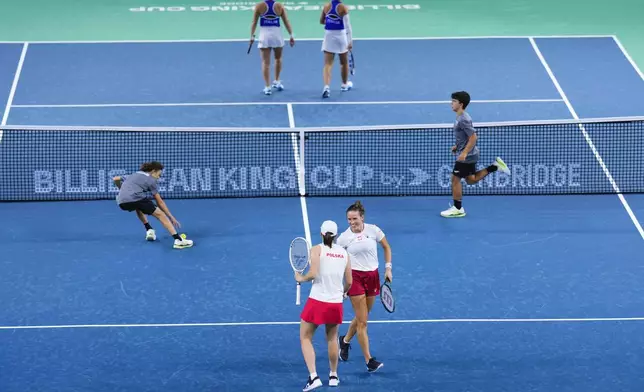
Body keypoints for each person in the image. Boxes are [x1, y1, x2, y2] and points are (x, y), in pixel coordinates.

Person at [296, 220, 352, 391]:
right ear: (335, 236)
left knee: (305, 337)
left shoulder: (316, 249)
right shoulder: (344, 253)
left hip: (317, 301)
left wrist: (301, 278)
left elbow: (312, 274)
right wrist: (342, 293)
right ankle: (333, 375)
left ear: (321, 233)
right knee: (332, 338)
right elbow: (349, 282)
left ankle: (313, 377)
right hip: (335, 303)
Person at [336, 201, 391, 373]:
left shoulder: (373, 230)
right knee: (363, 322)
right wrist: (341, 285)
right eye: (349, 219)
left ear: (362, 217)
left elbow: (386, 247)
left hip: (373, 276)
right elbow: (338, 261)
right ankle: (369, 361)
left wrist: (388, 268)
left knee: (363, 316)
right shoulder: (343, 238)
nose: (352, 222)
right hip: (355, 278)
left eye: (355, 219)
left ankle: (344, 341)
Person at [441, 91, 511, 218]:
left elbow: (473, 137)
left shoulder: (463, 119)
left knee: (455, 179)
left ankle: (458, 208)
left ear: (461, 104)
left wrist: (464, 153)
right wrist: (458, 146)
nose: (451, 103)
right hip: (470, 154)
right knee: (471, 180)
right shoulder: (460, 117)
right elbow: (465, 136)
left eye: (454, 101)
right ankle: (495, 166)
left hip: (467, 155)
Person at [113, 161, 194, 249]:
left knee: (138, 207)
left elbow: (115, 179)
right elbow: (160, 202)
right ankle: (178, 240)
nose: (158, 178)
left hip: (121, 202)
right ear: (153, 171)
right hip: (136, 198)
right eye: (158, 175)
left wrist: (120, 189)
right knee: (161, 215)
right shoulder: (151, 180)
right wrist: (171, 217)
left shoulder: (133, 175)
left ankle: (149, 229)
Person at [249, 0, 295, 95]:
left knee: (265, 63)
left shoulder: (259, 6)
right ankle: (277, 81)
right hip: (276, 36)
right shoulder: (279, 6)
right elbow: (286, 21)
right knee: (278, 59)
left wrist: (252, 36)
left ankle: (267, 87)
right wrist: (291, 35)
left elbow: (254, 22)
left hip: (264, 36)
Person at [319, 0, 353, 98]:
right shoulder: (343, 8)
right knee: (344, 62)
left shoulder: (326, 7)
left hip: (329, 35)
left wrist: (332, 21)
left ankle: (326, 87)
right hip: (341, 36)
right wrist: (350, 41)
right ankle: (344, 84)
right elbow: (348, 27)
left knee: (328, 64)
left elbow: (322, 21)